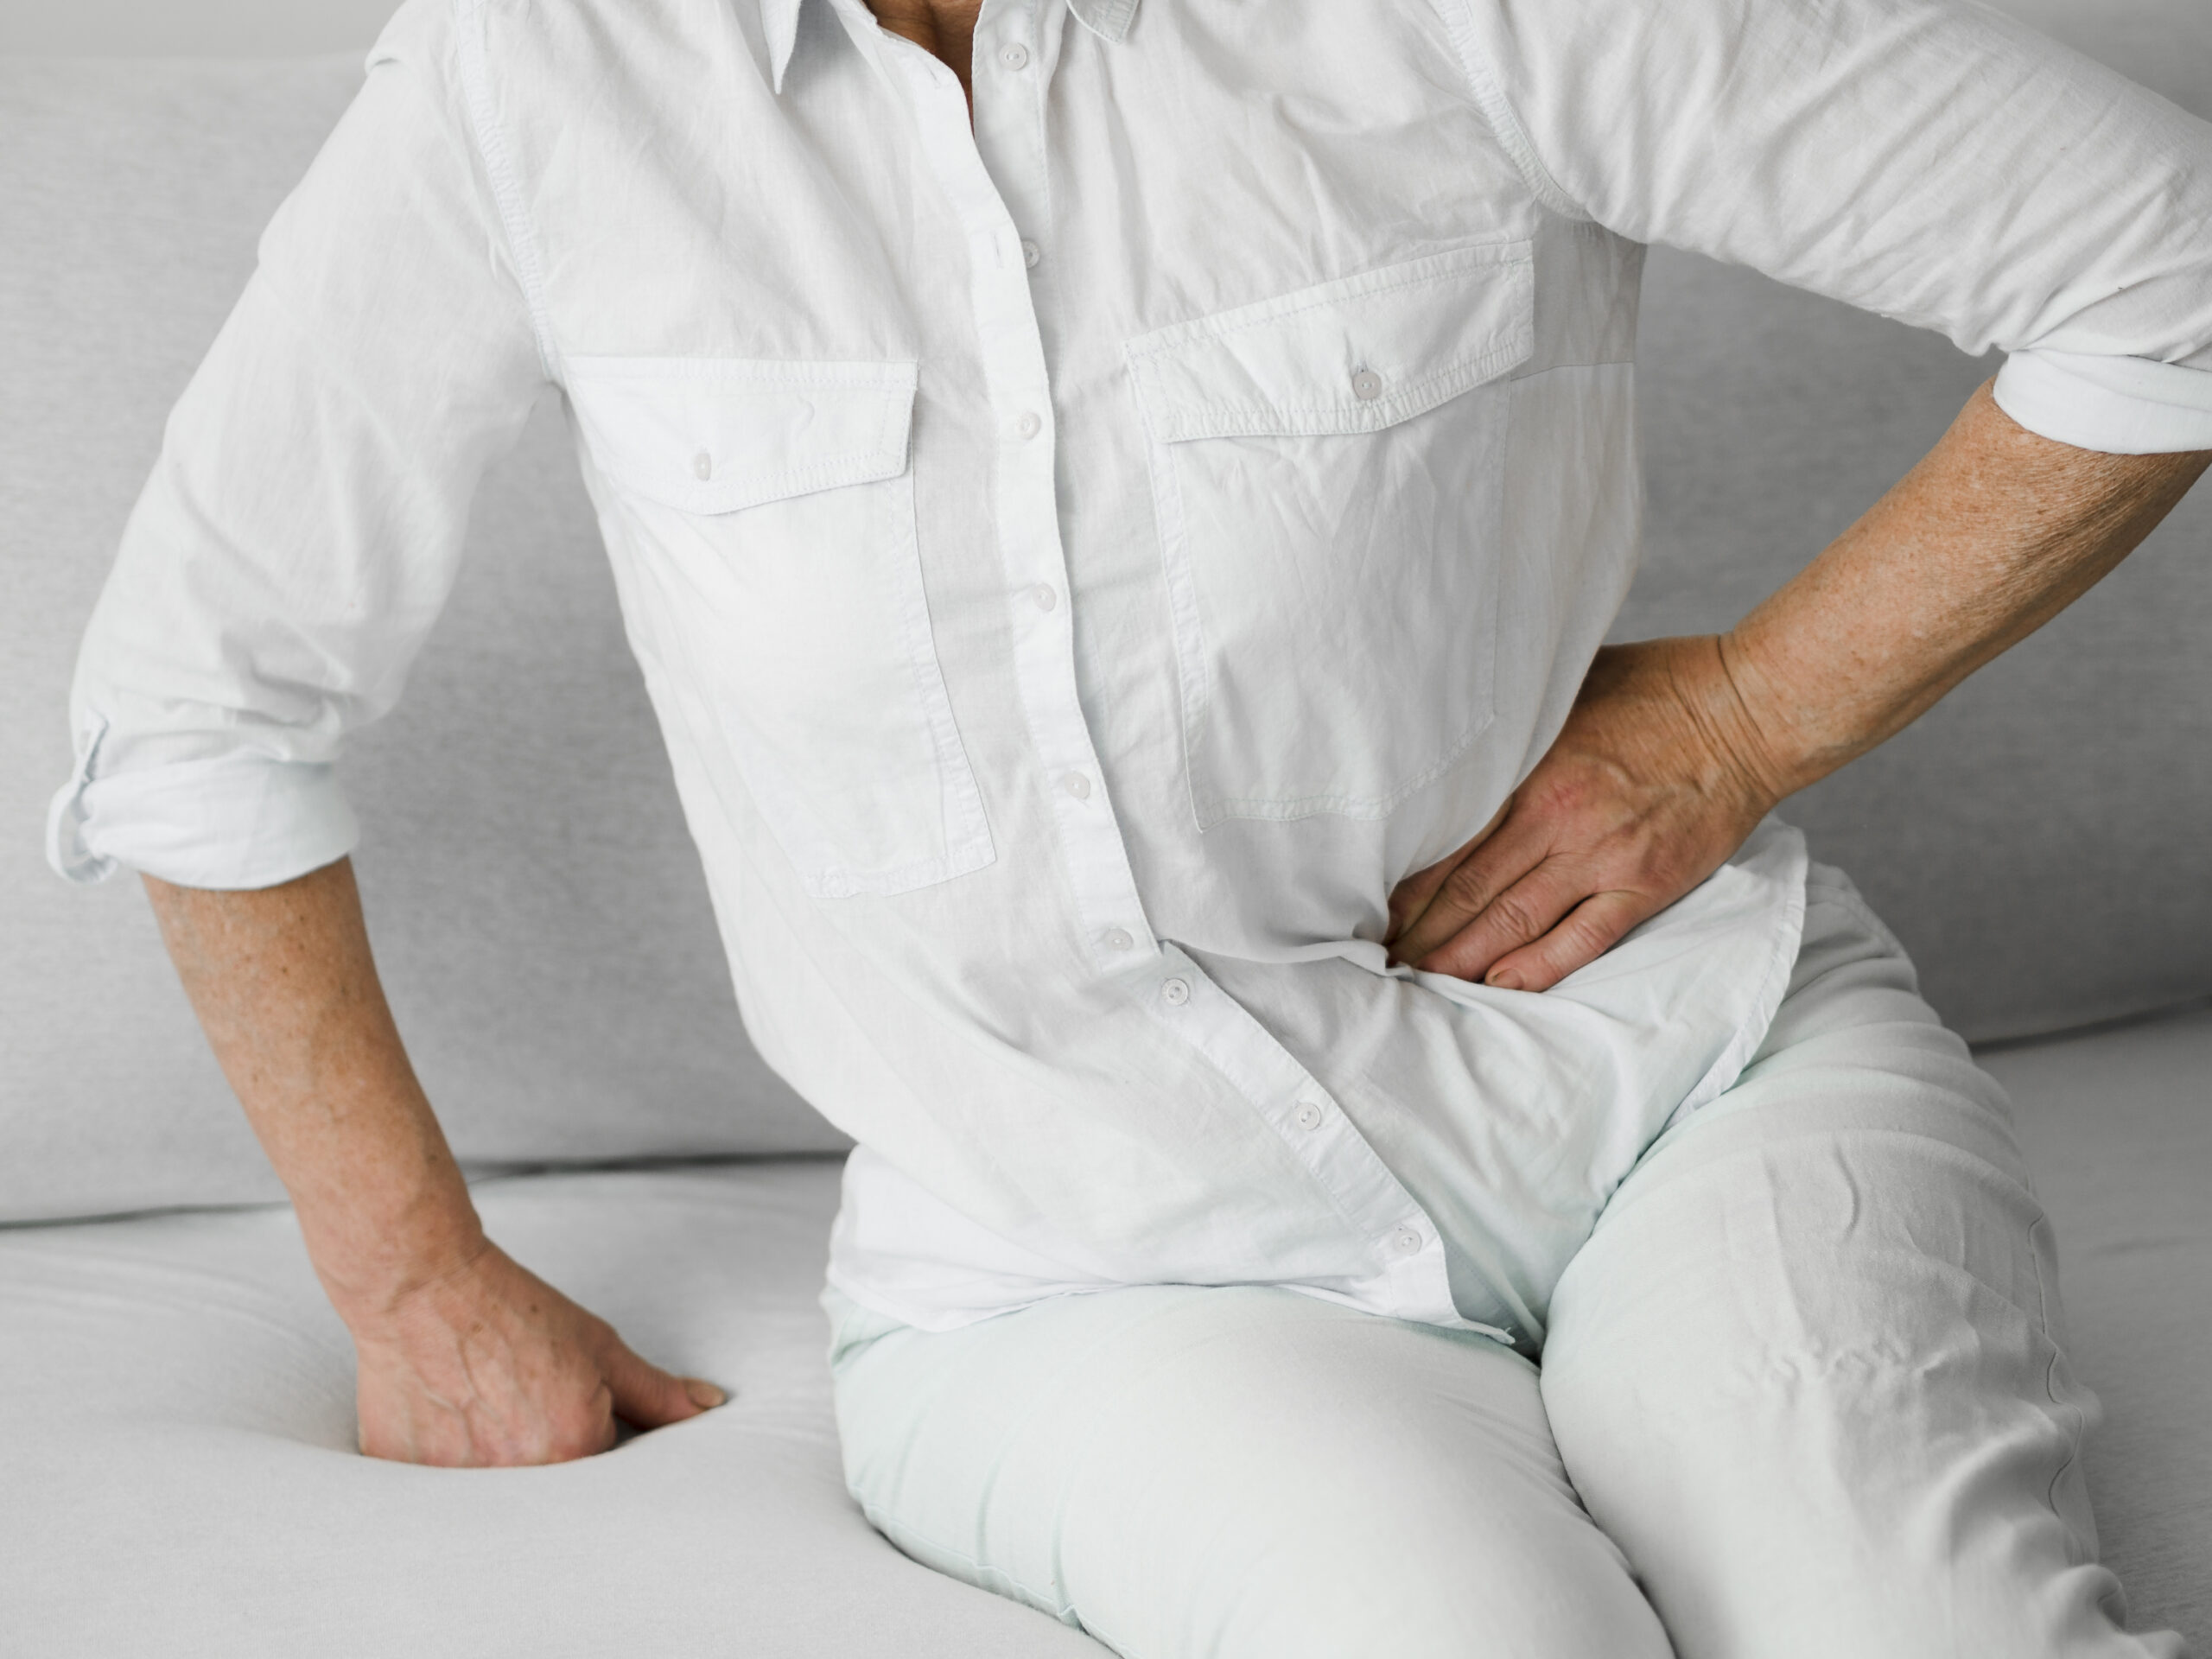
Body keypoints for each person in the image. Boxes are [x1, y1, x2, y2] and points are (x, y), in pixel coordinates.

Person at [46, 0, 2212, 1651]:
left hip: (1681, 1080)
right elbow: (198, 697)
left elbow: (2168, 261)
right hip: (1083, 1255)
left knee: (1907, 1625)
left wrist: (1743, 714)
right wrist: (408, 1276)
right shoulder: (534, 70)